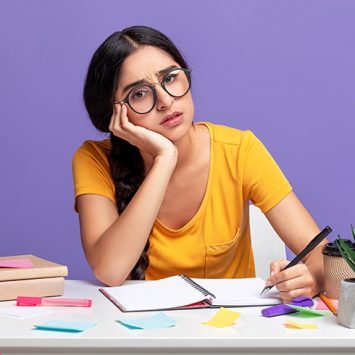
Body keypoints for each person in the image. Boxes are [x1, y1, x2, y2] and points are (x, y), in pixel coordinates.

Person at [72, 25, 327, 302]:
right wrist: (164, 159)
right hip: (144, 336)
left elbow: (320, 256)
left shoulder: (239, 150)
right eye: (139, 94)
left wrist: (310, 279)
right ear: (114, 113)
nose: (166, 101)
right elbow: (110, 270)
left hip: (228, 333)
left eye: (170, 78)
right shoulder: (94, 159)